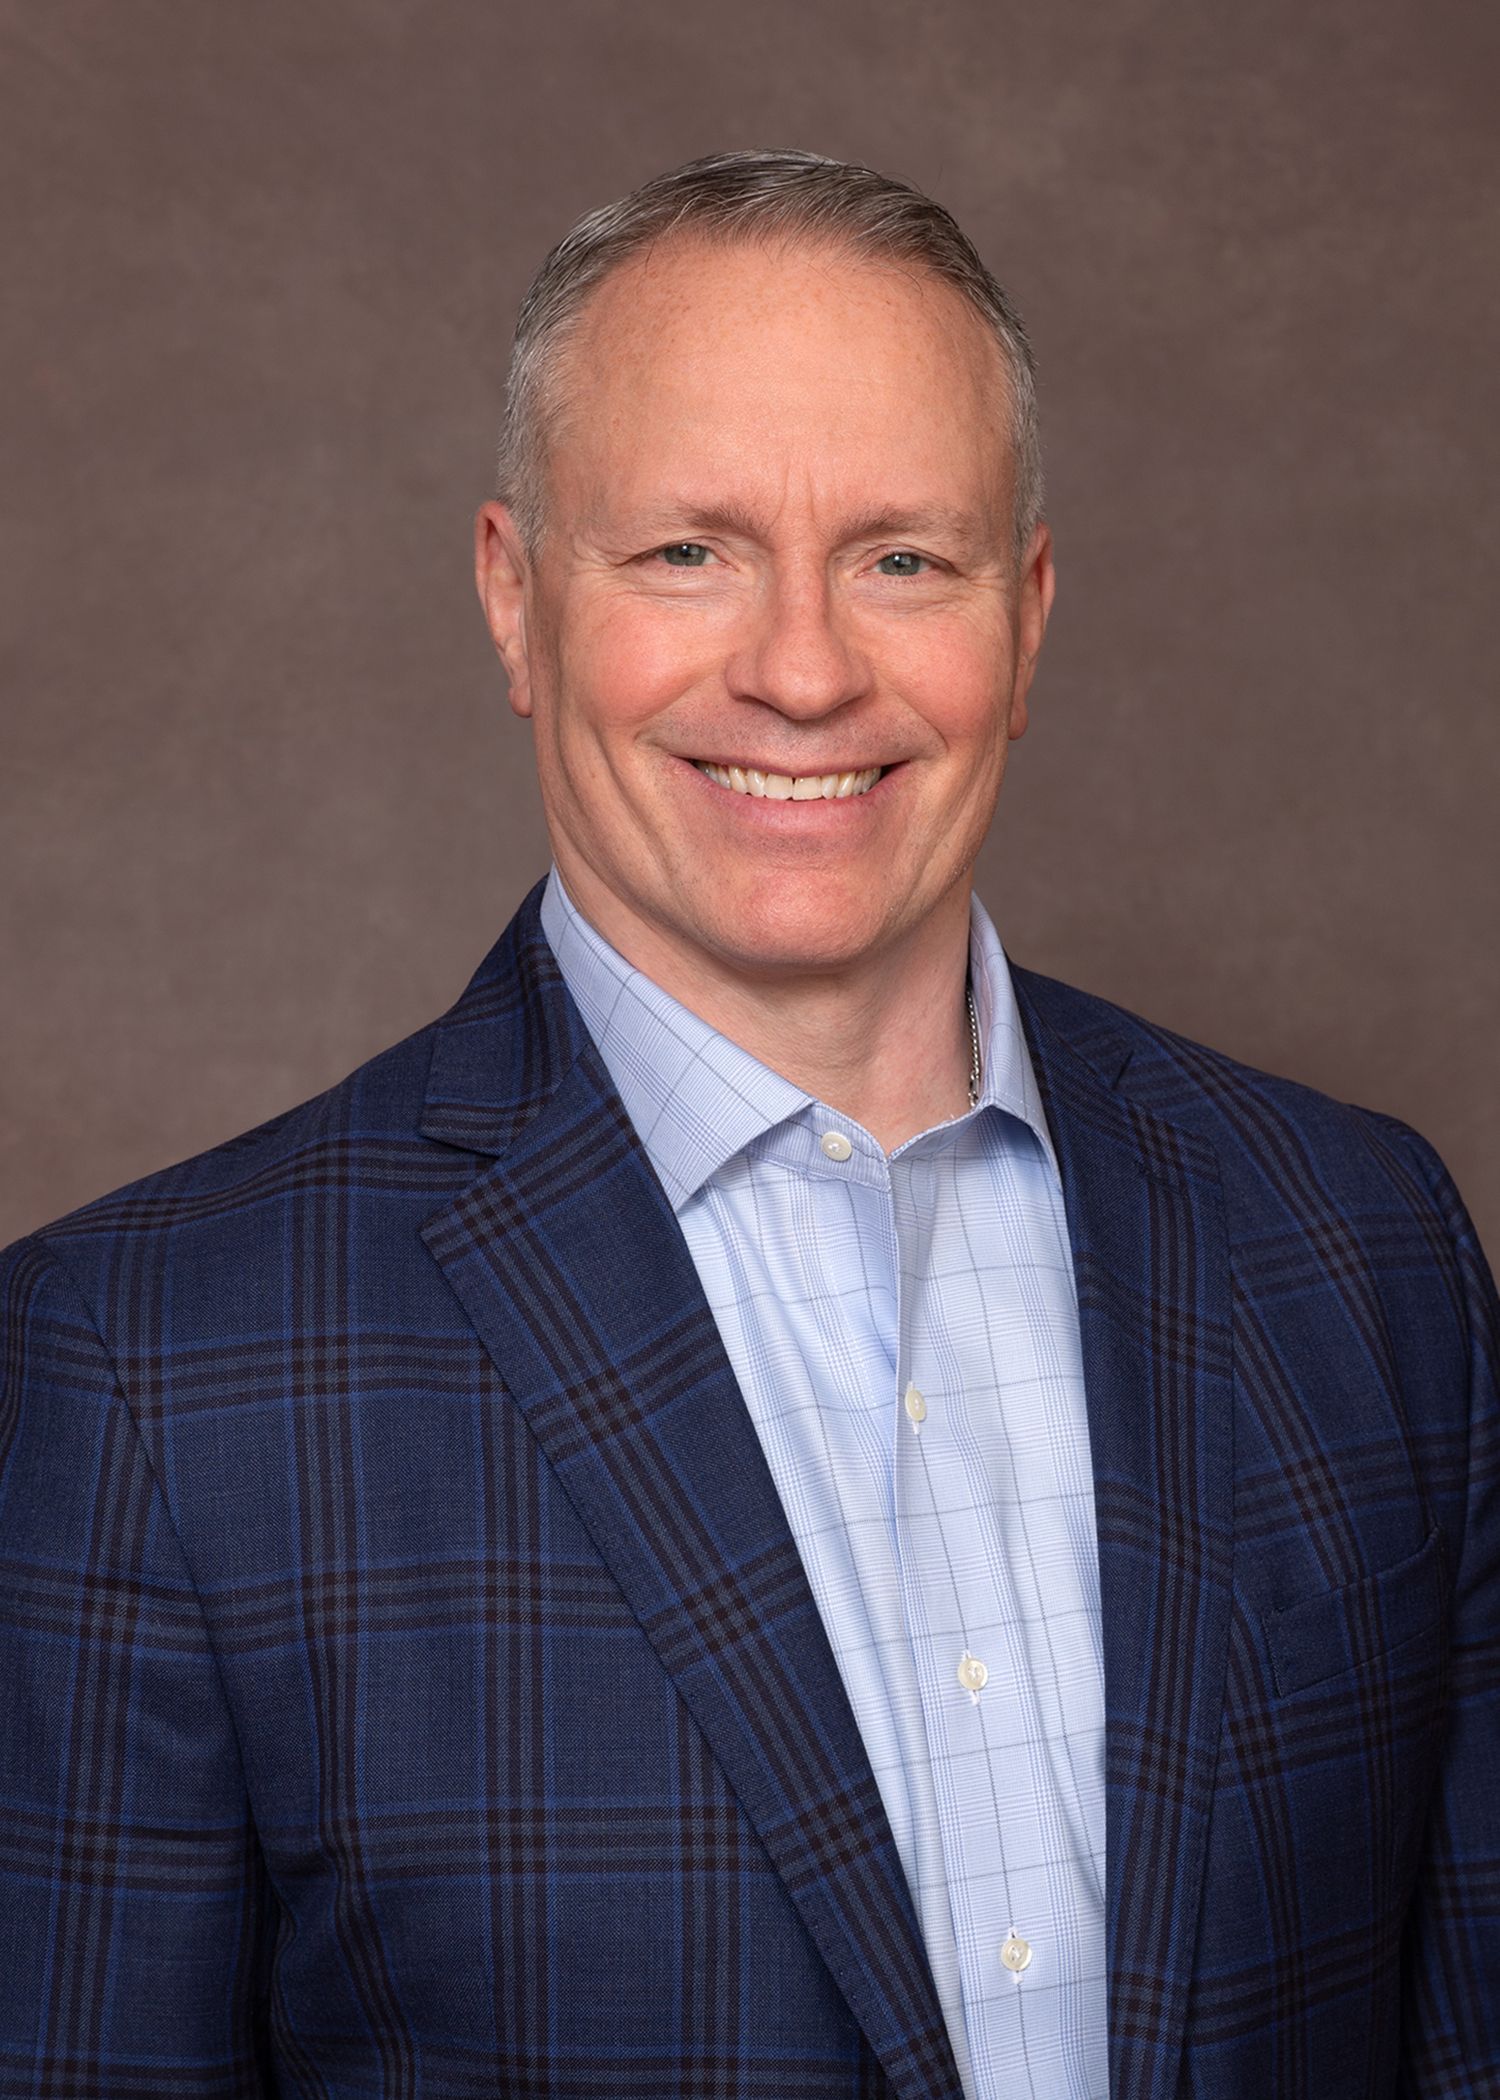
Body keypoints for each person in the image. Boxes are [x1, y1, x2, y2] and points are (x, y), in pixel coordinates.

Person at [1, 150, 1494, 2100]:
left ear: (1027, 618)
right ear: (516, 600)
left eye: (903, 556)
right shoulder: (152, 1379)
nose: (803, 668)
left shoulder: (1363, 1253)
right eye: (688, 551)